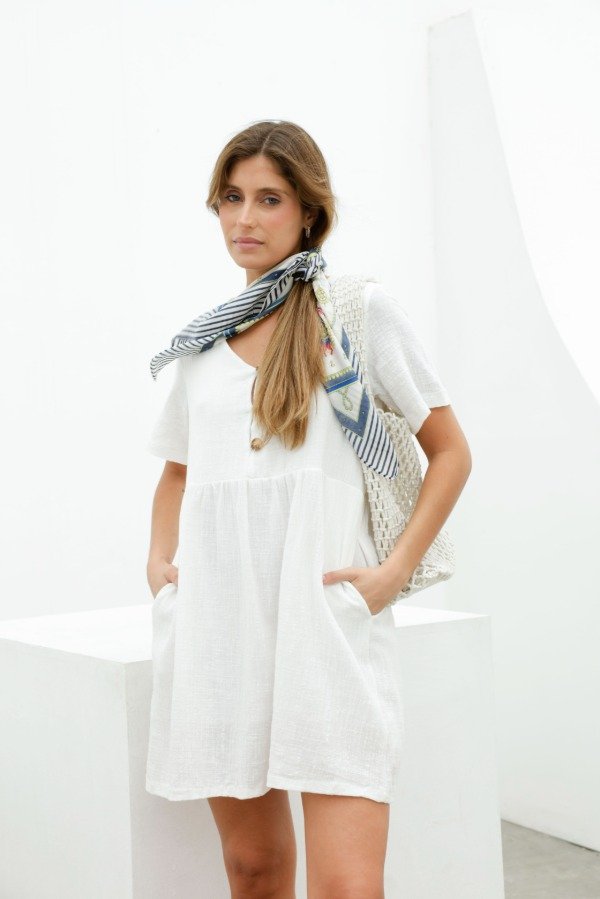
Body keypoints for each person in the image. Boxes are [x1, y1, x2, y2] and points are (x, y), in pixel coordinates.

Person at [145, 119, 472, 898]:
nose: (245, 218)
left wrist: (390, 575)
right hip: (220, 630)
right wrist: (159, 567)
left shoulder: (353, 313)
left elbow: (451, 451)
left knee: (347, 886)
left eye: (269, 198)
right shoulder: (202, 348)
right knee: (252, 868)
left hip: (325, 626)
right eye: (231, 198)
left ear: (308, 211)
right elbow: (177, 472)